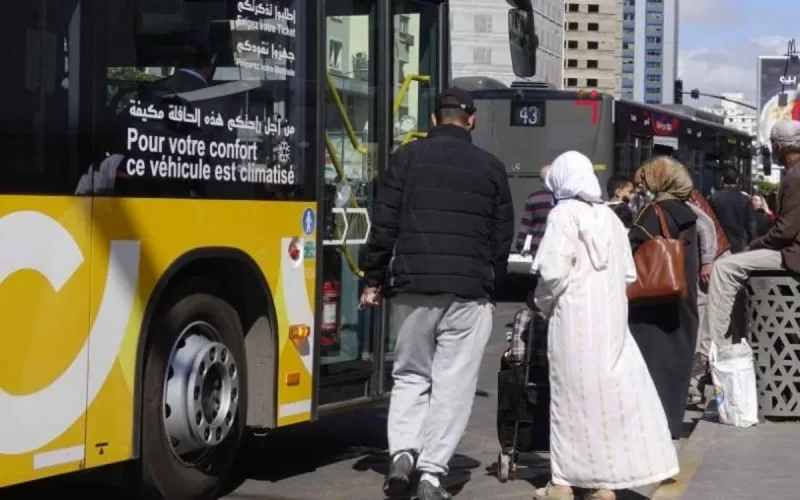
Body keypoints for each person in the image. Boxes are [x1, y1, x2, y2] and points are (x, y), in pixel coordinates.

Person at [360, 88, 514, 500]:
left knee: (410, 373)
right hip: (468, 291)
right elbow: (502, 237)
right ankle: (431, 473)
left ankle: (402, 455)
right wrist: (491, 282)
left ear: (432, 120)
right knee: (453, 382)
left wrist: (373, 277)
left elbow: (384, 222)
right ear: (472, 120)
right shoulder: (492, 167)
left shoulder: (406, 159)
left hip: (413, 285)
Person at [531, 151, 678, 500]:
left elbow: (551, 272)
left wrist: (541, 303)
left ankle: (564, 482)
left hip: (573, 321)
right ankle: (603, 484)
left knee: (570, 401)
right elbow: (628, 272)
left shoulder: (563, 215)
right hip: (611, 322)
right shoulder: (612, 219)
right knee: (604, 402)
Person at [700, 120, 800, 357]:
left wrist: (752, 247)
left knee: (725, 268)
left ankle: (711, 349)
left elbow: (784, 231)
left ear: (778, 146)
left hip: (794, 253)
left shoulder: (796, 176)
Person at [628, 156, 699, 439]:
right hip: (682, 300)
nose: (642, 186)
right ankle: (669, 424)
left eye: (645, 179)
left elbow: (633, 246)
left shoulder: (653, 211)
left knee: (651, 363)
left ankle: (649, 429)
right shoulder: (687, 212)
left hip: (652, 302)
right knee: (675, 366)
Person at [709, 167, 753, 253]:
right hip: (739, 242)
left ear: (722, 179)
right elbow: (750, 224)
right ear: (737, 180)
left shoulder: (714, 198)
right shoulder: (744, 199)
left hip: (719, 241)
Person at [516, 164, 554, 256]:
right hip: (557, 244)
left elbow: (526, 224)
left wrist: (520, 243)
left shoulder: (533, 198)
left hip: (537, 245)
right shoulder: (562, 198)